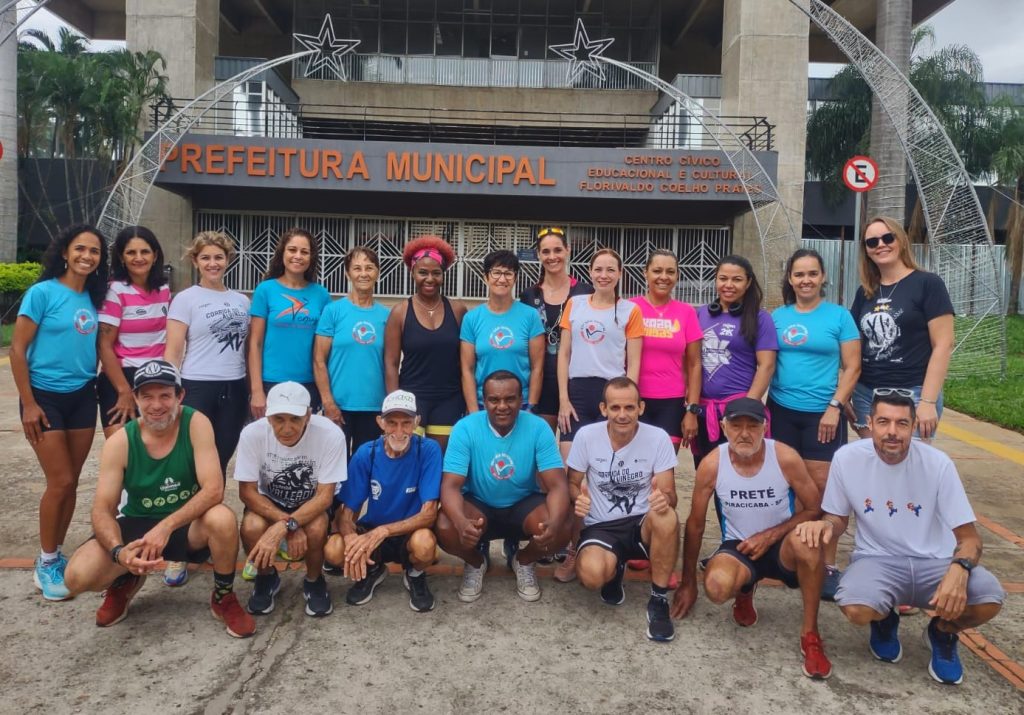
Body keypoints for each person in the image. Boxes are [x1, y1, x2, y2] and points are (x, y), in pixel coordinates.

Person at [795, 391, 1004, 685]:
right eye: (883, 422)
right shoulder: (847, 458)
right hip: (878, 559)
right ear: (870, 423)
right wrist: (823, 527)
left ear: (914, 425)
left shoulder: (938, 463)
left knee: (990, 598)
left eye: (901, 423)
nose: (892, 431)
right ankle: (885, 621)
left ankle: (942, 632)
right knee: (855, 607)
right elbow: (836, 518)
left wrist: (960, 569)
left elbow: (970, 538)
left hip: (936, 562)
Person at [62, 360, 256, 638]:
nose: (156, 405)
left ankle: (223, 595)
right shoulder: (121, 441)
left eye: (165, 395)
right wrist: (119, 552)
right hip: (137, 524)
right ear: (136, 398)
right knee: (76, 577)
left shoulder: (195, 423)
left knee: (222, 518)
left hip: (185, 525)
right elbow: (103, 508)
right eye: (147, 396)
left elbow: (213, 489)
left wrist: (165, 528)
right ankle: (126, 577)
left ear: (180, 396)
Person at [672, 397, 833, 680]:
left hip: (782, 544)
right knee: (716, 587)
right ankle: (745, 588)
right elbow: (695, 525)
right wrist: (688, 583)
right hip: (740, 546)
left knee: (809, 544)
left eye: (752, 426)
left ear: (765, 428)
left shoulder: (784, 457)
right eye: (736, 426)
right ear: (724, 427)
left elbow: (814, 507)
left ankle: (811, 634)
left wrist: (770, 535)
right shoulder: (712, 464)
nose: (744, 433)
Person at [11, 224, 108, 600]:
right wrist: (29, 404)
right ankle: (46, 559)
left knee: (72, 480)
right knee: (61, 480)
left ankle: (56, 553)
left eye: (95, 251)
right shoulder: (42, 293)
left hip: (83, 395)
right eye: (80, 249)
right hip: (44, 397)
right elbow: (17, 350)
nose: (87, 256)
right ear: (65, 253)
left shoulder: (93, 299)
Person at [768, 248, 860, 600]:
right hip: (781, 410)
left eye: (812, 274)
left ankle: (827, 564)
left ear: (822, 278)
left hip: (823, 415)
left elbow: (853, 368)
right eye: (799, 274)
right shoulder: (777, 316)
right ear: (790, 279)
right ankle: (790, 556)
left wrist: (836, 405)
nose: (805, 280)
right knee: (787, 486)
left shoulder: (839, 317)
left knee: (823, 493)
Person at [436, 370, 570, 603]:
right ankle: (476, 562)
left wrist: (554, 524)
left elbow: (558, 486)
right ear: (484, 400)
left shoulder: (538, 428)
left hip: (523, 505)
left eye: (510, 399)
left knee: (564, 521)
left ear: (521, 399)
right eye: (494, 400)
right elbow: (450, 486)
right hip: (479, 506)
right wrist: (461, 522)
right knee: (445, 524)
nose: (502, 406)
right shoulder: (465, 428)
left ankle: (524, 560)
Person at [567, 378, 679, 642]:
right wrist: (577, 499)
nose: (622, 415)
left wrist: (664, 499)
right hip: (601, 526)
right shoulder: (586, 435)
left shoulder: (658, 437)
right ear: (603, 409)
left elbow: (671, 494)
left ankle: (659, 601)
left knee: (667, 516)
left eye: (629, 407)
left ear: (640, 407)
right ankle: (614, 569)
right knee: (592, 576)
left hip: (641, 522)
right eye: (615, 408)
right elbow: (572, 483)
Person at [555, 248, 644, 579]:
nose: (604, 274)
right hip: (577, 394)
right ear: (589, 272)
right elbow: (563, 354)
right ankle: (572, 549)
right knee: (573, 479)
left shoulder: (630, 310)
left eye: (611, 269)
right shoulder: (574, 305)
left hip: (612, 395)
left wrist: (624, 407)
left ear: (620, 274)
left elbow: (633, 363)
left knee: (609, 475)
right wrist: (563, 398)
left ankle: (614, 544)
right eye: (598, 269)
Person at [325, 390, 443, 613]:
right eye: (392, 423)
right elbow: (347, 510)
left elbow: (429, 513)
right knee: (334, 550)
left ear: (417, 422)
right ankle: (373, 570)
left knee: (425, 546)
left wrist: (383, 531)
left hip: (410, 530)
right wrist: (351, 538)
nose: (399, 431)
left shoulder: (428, 450)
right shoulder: (366, 453)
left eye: (406, 423)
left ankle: (415, 573)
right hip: (374, 529)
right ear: (380, 422)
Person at [235, 382, 346, 618]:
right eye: (279, 419)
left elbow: (325, 496)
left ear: (308, 415)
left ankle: (314, 580)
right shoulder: (251, 434)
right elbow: (246, 491)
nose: (286, 428)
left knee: (316, 528)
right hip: (269, 502)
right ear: (267, 417)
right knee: (251, 526)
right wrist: (287, 523)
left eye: (294, 419)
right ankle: (266, 578)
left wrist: (286, 525)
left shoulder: (331, 434)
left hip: (311, 500)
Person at [850, 217, 954, 441]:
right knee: (873, 464)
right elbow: (853, 347)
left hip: (913, 394)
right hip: (867, 395)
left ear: (902, 241)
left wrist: (927, 402)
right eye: (872, 242)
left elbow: (943, 345)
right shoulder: (865, 292)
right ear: (866, 250)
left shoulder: (928, 284)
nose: (881, 245)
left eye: (888, 238)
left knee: (909, 468)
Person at [164, 231, 250, 475]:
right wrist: (171, 390)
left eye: (218, 257)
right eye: (205, 258)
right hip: (197, 386)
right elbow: (173, 350)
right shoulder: (184, 299)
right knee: (195, 458)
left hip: (234, 387)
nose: (213, 263)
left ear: (228, 259)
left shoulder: (242, 301)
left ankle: (212, 512)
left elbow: (247, 348)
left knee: (221, 457)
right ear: (195, 261)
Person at [692, 255, 777, 467]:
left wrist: (747, 406)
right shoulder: (700, 314)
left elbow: (766, 365)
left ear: (748, 283)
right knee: (705, 472)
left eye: (737, 279)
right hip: (704, 411)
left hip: (739, 413)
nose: (728, 285)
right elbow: (691, 361)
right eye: (723, 278)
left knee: (736, 473)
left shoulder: (760, 318)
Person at [384, 235, 467, 453]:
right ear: (412, 273)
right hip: (412, 397)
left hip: (449, 398)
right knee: (411, 458)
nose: (429, 278)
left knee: (440, 460)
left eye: (436, 273)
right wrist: (395, 406)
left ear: (443, 275)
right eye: (423, 272)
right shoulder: (400, 312)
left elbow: (466, 361)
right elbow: (391, 363)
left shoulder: (458, 311)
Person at [314, 246, 390, 457]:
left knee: (366, 466)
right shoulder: (333, 311)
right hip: (339, 407)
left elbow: (392, 362)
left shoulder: (388, 315)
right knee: (334, 468)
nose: (363, 273)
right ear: (348, 273)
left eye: (369, 268)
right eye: (357, 268)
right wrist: (328, 402)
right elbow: (319, 360)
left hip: (374, 406)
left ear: (378, 272)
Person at [248, 228, 331, 417]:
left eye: (304, 252)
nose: (298, 256)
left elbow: (326, 347)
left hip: (309, 383)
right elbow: (255, 343)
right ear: (282, 253)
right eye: (292, 250)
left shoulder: (321, 294)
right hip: (271, 382)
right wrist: (256, 390)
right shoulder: (265, 290)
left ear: (311, 257)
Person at [97, 226, 170, 439]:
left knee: (156, 449)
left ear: (155, 255)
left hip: (157, 375)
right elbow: (104, 345)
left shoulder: (164, 290)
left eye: (145, 252)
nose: (138, 258)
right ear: (121, 257)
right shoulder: (115, 291)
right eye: (131, 252)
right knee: (124, 449)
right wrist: (124, 391)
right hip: (122, 377)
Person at [518, 226, 593, 432]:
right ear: (538, 255)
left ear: (567, 250)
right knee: (540, 454)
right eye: (546, 251)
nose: (553, 257)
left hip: (576, 383)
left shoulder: (585, 292)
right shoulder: (528, 296)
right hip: (541, 384)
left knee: (574, 455)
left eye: (558, 250)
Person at [633, 249, 703, 452]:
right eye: (657, 271)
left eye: (670, 272)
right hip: (634, 400)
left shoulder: (687, 312)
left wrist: (692, 410)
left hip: (671, 403)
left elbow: (694, 364)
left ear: (677, 276)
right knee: (634, 468)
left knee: (663, 471)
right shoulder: (630, 308)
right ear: (645, 273)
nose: (664, 277)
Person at [461, 249, 544, 410]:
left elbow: (537, 367)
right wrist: (473, 411)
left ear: (515, 278)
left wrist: (531, 406)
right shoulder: (471, 318)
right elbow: (467, 369)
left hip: (520, 402)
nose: (502, 279)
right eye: (496, 273)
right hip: (484, 403)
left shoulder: (531, 316)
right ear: (485, 277)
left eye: (508, 273)